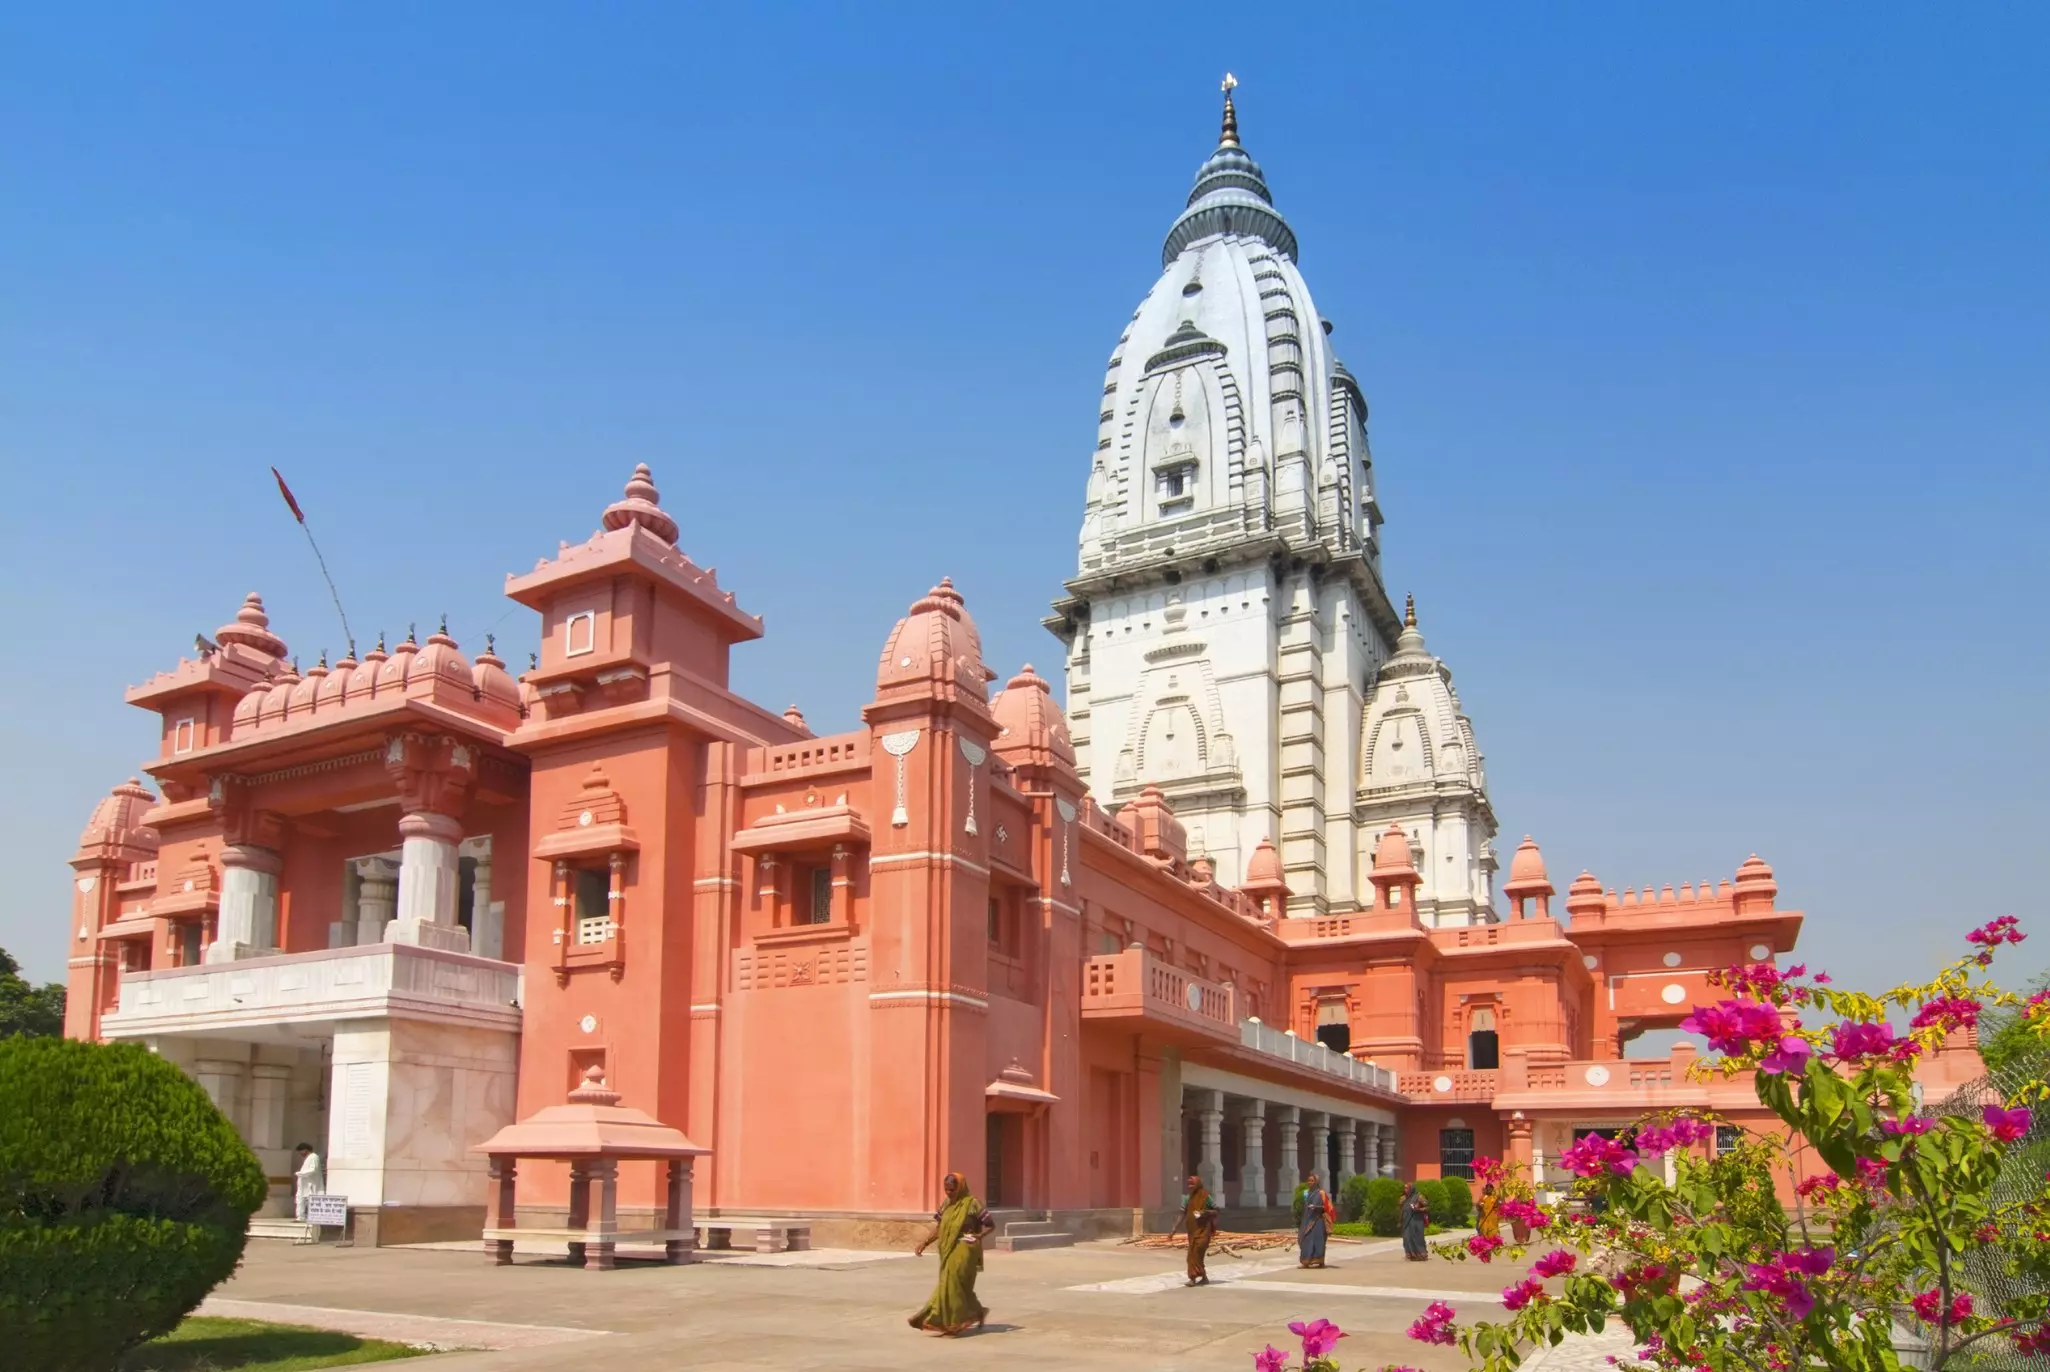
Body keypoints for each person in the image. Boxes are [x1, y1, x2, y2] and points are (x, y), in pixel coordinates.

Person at [909, 1171, 996, 1336]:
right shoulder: (946, 1204)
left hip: (966, 1247)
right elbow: (939, 1227)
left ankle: (952, 1322)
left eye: (952, 1190)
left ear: (961, 1188)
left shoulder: (973, 1204)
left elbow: (991, 1225)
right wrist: (925, 1243)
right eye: (946, 1189)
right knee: (956, 1286)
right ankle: (977, 1312)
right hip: (947, 1248)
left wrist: (979, 1236)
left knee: (952, 1280)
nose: (948, 1193)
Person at [1168, 1173, 1218, 1286]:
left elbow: (1216, 1210)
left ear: (1198, 1184)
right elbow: (1181, 1214)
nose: (1190, 1186)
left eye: (1192, 1184)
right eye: (1189, 1185)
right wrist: (1173, 1229)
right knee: (1192, 1254)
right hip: (1192, 1230)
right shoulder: (1187, 1198)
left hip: (1204, 1230)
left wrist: (1206, 1213)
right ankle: (1196, 1278)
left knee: (1198, 1250)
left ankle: (1198, 1276)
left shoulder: (1206, 1197)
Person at [1298, 1172, 1332, 1269]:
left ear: (1316, 1182)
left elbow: (1327, 1207)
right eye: (1308, 1180)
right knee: (1306, 1240)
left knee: (1318, 1241)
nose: (1310, 1182)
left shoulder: (1321, 1193)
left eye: (1312, 1180)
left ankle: (1320, 1261)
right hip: (1308, 1220)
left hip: (1318, 1221)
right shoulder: (1306, 1193)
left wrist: (1316, 1207)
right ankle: (1306, 1262)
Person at [292, 1143, 324, 1224]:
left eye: (301, 1151)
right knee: (300, 1199)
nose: (300, 1153)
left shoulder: (313, 1157)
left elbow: (313, 1169)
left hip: (311, 1185)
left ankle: (311, 1217)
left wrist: (300, 1173)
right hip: (304, 1185)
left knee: (311, 1201)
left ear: (305, 1150)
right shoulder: (308, 1158)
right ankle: (300, 1217)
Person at [1401, 1180, 1430, 1261]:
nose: (1405, 1190)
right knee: (1407, 1237)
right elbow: (1402, 1210)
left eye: (1407, 1188)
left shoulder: (1419, 1197)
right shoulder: (1404, 1198)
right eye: (1404, 1188)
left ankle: (1421, 1254)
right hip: (1407, 1222)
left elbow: (1427, 1207)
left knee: (1417, 1237)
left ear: (1411, 1189)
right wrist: (1400, 1221)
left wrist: (1419, 1209)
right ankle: (1410, 1254)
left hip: (1417, 1221)